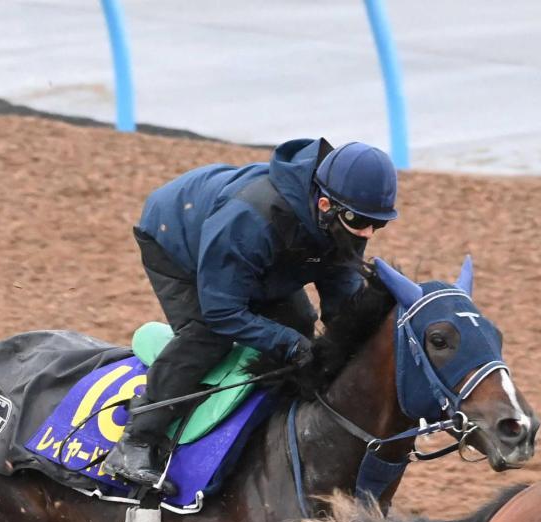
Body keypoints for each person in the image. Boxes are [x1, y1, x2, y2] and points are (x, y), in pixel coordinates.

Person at [103, 137, 398, 495]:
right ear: (324, 204)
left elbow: (342, 306)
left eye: (375, 225)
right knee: (208, 336)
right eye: (358, 222)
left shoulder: (340, 219)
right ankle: (137, 439)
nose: (366, 233)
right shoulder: (250, 218)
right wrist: (289, 344)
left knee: (300, 326)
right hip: (177, 241)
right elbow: (222, 312)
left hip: (262, 256)